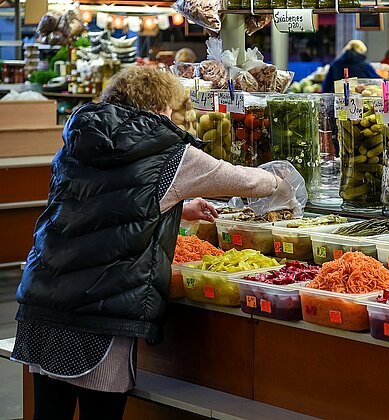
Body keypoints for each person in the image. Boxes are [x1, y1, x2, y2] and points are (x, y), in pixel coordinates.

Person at [10, 66, 296, 420]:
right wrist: (285, 182)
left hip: (44, 299)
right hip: (101, 309)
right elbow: (243, 182)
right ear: (161, 107)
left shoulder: (81, 138)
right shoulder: (169, 150)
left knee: (49, 414)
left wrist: (178, 204)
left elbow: (102, 200)